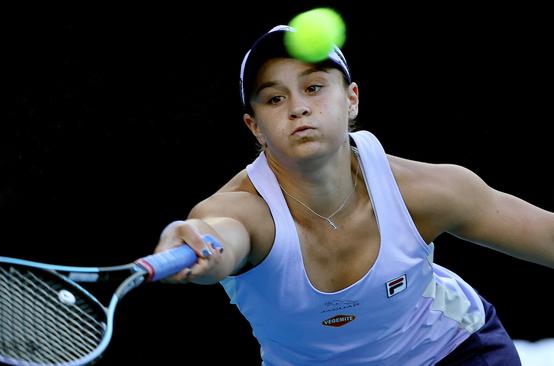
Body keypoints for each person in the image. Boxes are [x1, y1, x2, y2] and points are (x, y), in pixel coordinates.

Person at [153, 23, 554, 365]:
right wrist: (193, 239)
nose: (298, 108)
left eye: (313, 87)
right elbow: (219, 234)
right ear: (254, 126)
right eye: (275, 98)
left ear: (351, 100)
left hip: (452, 351)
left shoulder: (422, 190)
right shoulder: (243, 210)